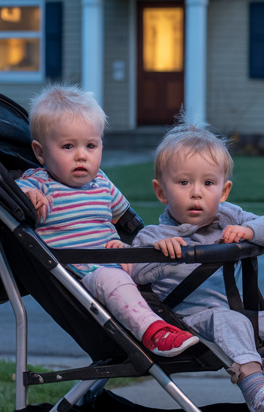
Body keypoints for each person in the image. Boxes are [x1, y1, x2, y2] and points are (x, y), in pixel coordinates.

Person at [130, 126, 264, 412]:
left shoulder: (227, 217)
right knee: (229, 319)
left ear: (223, 191)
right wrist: (158, 255)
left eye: (208, 183)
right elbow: (134, 275)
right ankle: (258, 393)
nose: (196, 192)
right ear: (161, 191)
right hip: (183, 325)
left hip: (232, 319)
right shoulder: (155, 236)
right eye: (183, 182)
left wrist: (250, 232)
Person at [16, 85, 198, 358]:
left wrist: (146, 242)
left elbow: (125, 222)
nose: (82, 155)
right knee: (112, 278)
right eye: (68, 146)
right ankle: (155, 333)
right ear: (41, 153)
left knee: (166, 264)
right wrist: (28, 196)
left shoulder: (101, 182)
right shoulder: (40, 182)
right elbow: (12, 191)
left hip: (113, 259)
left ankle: (196, 317)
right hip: (82, 274)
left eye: (91, 145)